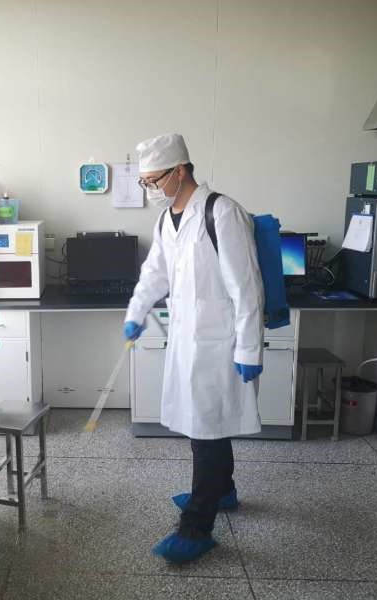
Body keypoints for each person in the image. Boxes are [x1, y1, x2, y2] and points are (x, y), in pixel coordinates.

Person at [125, 133, 265, 564]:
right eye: (146, 182)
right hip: (188, 340)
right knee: (205, 425)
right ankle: (224, 491)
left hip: (220, 344)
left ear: (180, 170)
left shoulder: (222, 212)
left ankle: (196, 528)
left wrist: (249, 349)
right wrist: (137, 310)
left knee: (206, 429)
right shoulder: (166, 219)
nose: (151, 189)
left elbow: (246, 287)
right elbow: (155, 272)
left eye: (154, 180)